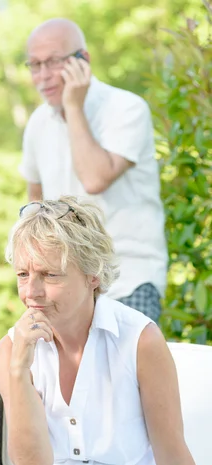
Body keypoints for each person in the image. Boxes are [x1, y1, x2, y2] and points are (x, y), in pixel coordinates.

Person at [0, 197, 212, 465]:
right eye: (22, 274)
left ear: (92, 274)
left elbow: (173, 458)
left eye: (50, 275)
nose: (31, 292)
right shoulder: (12, 351)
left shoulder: (139, 340)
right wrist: (19, 372)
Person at [19, 17, 168, 323]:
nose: (43, 76)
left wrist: (73, 107)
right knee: (60, 372)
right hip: (66, 287)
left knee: (126, 371)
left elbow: (94, 178)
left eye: (53, 62)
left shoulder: (126, 108)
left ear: (82, 61)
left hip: (128, 279)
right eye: (35, 65)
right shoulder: (37, 123)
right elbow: (36, 204)